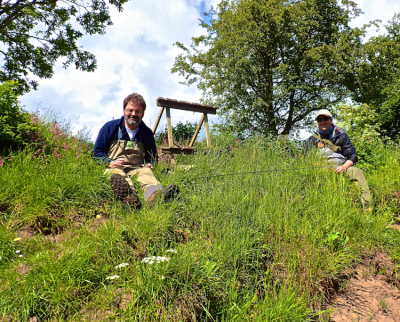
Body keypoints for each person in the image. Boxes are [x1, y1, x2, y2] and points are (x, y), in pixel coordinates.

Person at [92, 93, 179, 208]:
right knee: (116, 175)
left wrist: (149, 164)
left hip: (137, 169)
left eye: (137, 111)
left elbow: (152, 157)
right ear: (124, 110)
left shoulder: (146, 133)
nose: (133, 114)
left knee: (146, 174)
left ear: (143, 113)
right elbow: (96, 153)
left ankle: (155, 197)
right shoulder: (110, 127)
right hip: (114, 168)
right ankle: (130, 198)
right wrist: (110, 163)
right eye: (130, 110)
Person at [307, 109, 371, 210]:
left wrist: (344, 167)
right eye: (319, 119)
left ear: (331, 120)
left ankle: (367, 210)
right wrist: (324, 167)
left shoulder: (342, 135)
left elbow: (353, 156)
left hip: (341, 167)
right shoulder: (312, 139)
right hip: (321, 167)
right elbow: (308, 159)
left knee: (358, 172)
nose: (322, 122)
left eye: (325, 119)